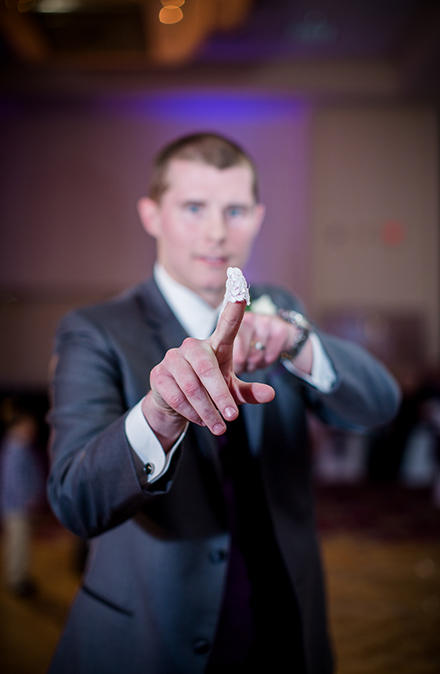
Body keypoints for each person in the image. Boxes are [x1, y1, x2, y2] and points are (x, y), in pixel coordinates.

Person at [46, 133, 401, 674]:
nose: (217, 232)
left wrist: (299, 342)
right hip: (150, 638)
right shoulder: (95, 330)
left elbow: (379, 405)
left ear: (257, 217)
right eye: (193, 208)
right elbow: (75, 502)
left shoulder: (280, 308)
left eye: (234, 210)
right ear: (152, 215)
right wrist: (160, 414)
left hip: (285, 627)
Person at [0, 398, 43, 598]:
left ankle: (19, 576)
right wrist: (29, 501)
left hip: (19, 506)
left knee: (20, 543)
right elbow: (15, 481)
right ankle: (17, 580)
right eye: (28, 424)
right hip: (17, 508)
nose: (32, 428)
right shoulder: (15, 449)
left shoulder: (20, 447)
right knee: (18, 544)